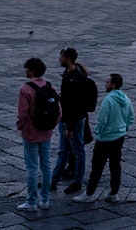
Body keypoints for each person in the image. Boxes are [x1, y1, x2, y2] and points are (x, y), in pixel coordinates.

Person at [74, 73, 134, 205]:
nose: (105, 84)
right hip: (120, 137)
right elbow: (131, 117)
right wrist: (125, 128)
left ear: (113, 85)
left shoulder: (108, 100)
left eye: (107, 82)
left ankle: (89, 194)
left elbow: (102, 121)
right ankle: (114, 193)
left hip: (105, 138)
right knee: (115, 165)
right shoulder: (126, 98)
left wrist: (98, 132)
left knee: (97, 167)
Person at [16, 58, 61, 211]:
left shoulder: (26, 89)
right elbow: (59, 111)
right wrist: (51, 126)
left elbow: (23, 114)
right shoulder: (51, 87)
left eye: (26, 68)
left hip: (31, 132)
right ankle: (45, 200)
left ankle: (31, 201)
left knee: (32, 168)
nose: (25, 70)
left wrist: (20, 127)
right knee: (46, 166)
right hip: (46, 132)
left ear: (32, 70)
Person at [51, 48, 93, 194]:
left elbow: (76, 105)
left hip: (72, 121)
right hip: (66, 119)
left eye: (61, 56)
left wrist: (69, 126)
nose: (59, 59)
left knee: (78, 151)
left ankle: (77, 182)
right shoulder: (67, 75)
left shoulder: (76, 79)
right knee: (63, 151)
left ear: (68, 58)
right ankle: (54, 180)